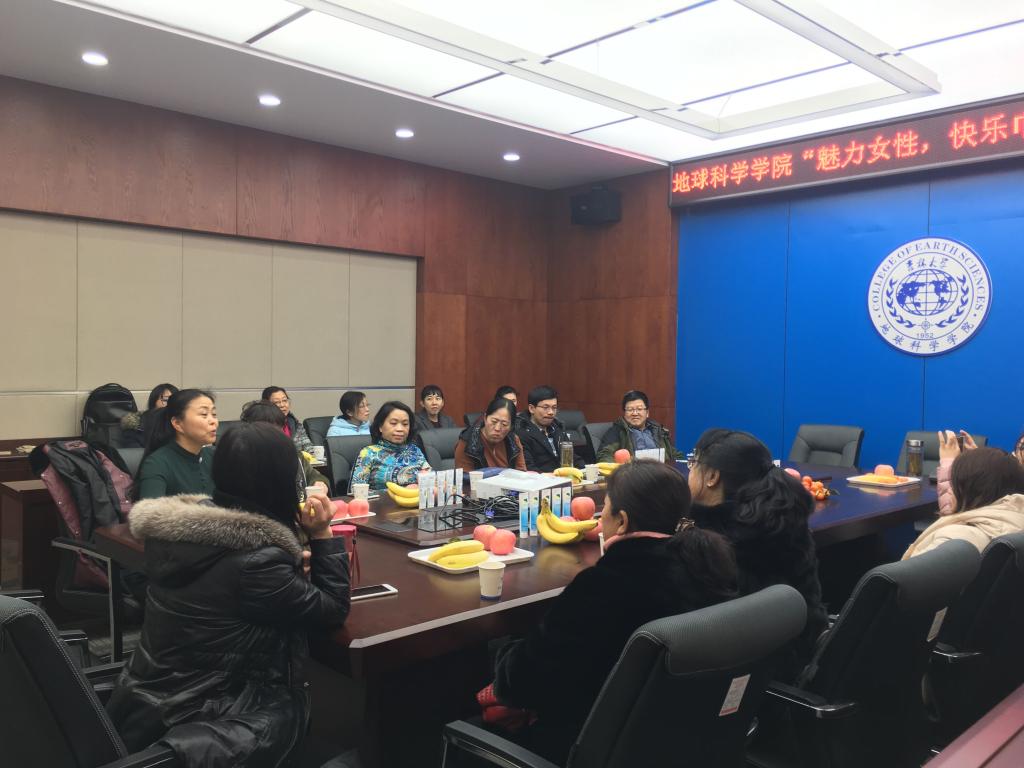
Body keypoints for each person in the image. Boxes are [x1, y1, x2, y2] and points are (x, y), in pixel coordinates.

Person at [107, 422, 350, 768]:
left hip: (148, 702)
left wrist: (286, 572)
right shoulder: (256, 562)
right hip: (215, 721)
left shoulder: (182, 532)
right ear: (281, 482)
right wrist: (323, 534)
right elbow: (333, 609)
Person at [489, 460, 738, 764]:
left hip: (590, 745)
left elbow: (523, 682)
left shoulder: (603, 586)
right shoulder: (707, 568)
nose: (599, 519)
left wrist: (503, 654)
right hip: (684, 740)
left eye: (604, 509)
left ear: (622, 521)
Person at [686, 428, 826, 680]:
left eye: (693, 463)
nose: (689, 470)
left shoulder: (706, 541)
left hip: (739, 677)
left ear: (712, 477)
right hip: (797, 653)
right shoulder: (784, 523)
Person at [904, 447, 1024, 558]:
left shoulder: (952, 539)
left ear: (971, 489)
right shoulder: (1016, 522)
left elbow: (908, 574)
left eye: (954, 483)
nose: (950, 489)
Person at [134, 389, 218, 500]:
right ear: (177, 423)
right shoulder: (157, 463)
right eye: (204, 414)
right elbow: (150, 510)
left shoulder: (215, 456)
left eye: (214, 414)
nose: (213, 421)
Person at [240, 400, 330, 491]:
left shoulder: (291, 454)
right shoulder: (241, 458)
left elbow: (315, 475)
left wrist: (320, 483)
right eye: (268, 429)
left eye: (279, 428)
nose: (276, 433)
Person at [350, 401, 430, 490]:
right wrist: (401, 491)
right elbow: (355, 492)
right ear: (380, 426)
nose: (400, 429)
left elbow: (432, 480)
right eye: (393, 423)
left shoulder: (415, 450)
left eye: (405, 424)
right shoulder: (368, 453)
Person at [596, 389, 684, 462]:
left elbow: (676, 455)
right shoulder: (617, 431)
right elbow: (604, 455)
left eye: (639, 409)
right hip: (634, 474)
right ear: (624, 413)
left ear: (647, 413)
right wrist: (623, 470)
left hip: (661, 473)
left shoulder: (658, 430)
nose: (635, 413)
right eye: (630, 409)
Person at [515, 385, 583, 472]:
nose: (551, 412)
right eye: (545, 407)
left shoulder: (558, 428)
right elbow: (529, 469)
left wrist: (584, 471)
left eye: (554, 408)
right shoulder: (522, 433)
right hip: (542, 479)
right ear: (531, 408)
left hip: (565, 477)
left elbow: (572, 458)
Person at [455, 398, 526, 472]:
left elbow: (521, 472)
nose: (497, 428)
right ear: (485, 418)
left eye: (504, 424)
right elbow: (465, 476)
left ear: (511, 427)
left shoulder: (513, 441)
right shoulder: (468, 442)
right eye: (494, 421)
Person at [120, 383, 179, 449]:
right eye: (166, 400)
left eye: (174, 400)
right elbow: (134, 452)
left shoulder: (181, 425)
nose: (170, 404)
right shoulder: (136, 426)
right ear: (154, 401)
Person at [262, 386, 314, 453]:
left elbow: (309, 448)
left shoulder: (295, 424)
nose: (282, 405)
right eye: (276, 402)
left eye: (284, 400)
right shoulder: (261, 428)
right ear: (266, 405)